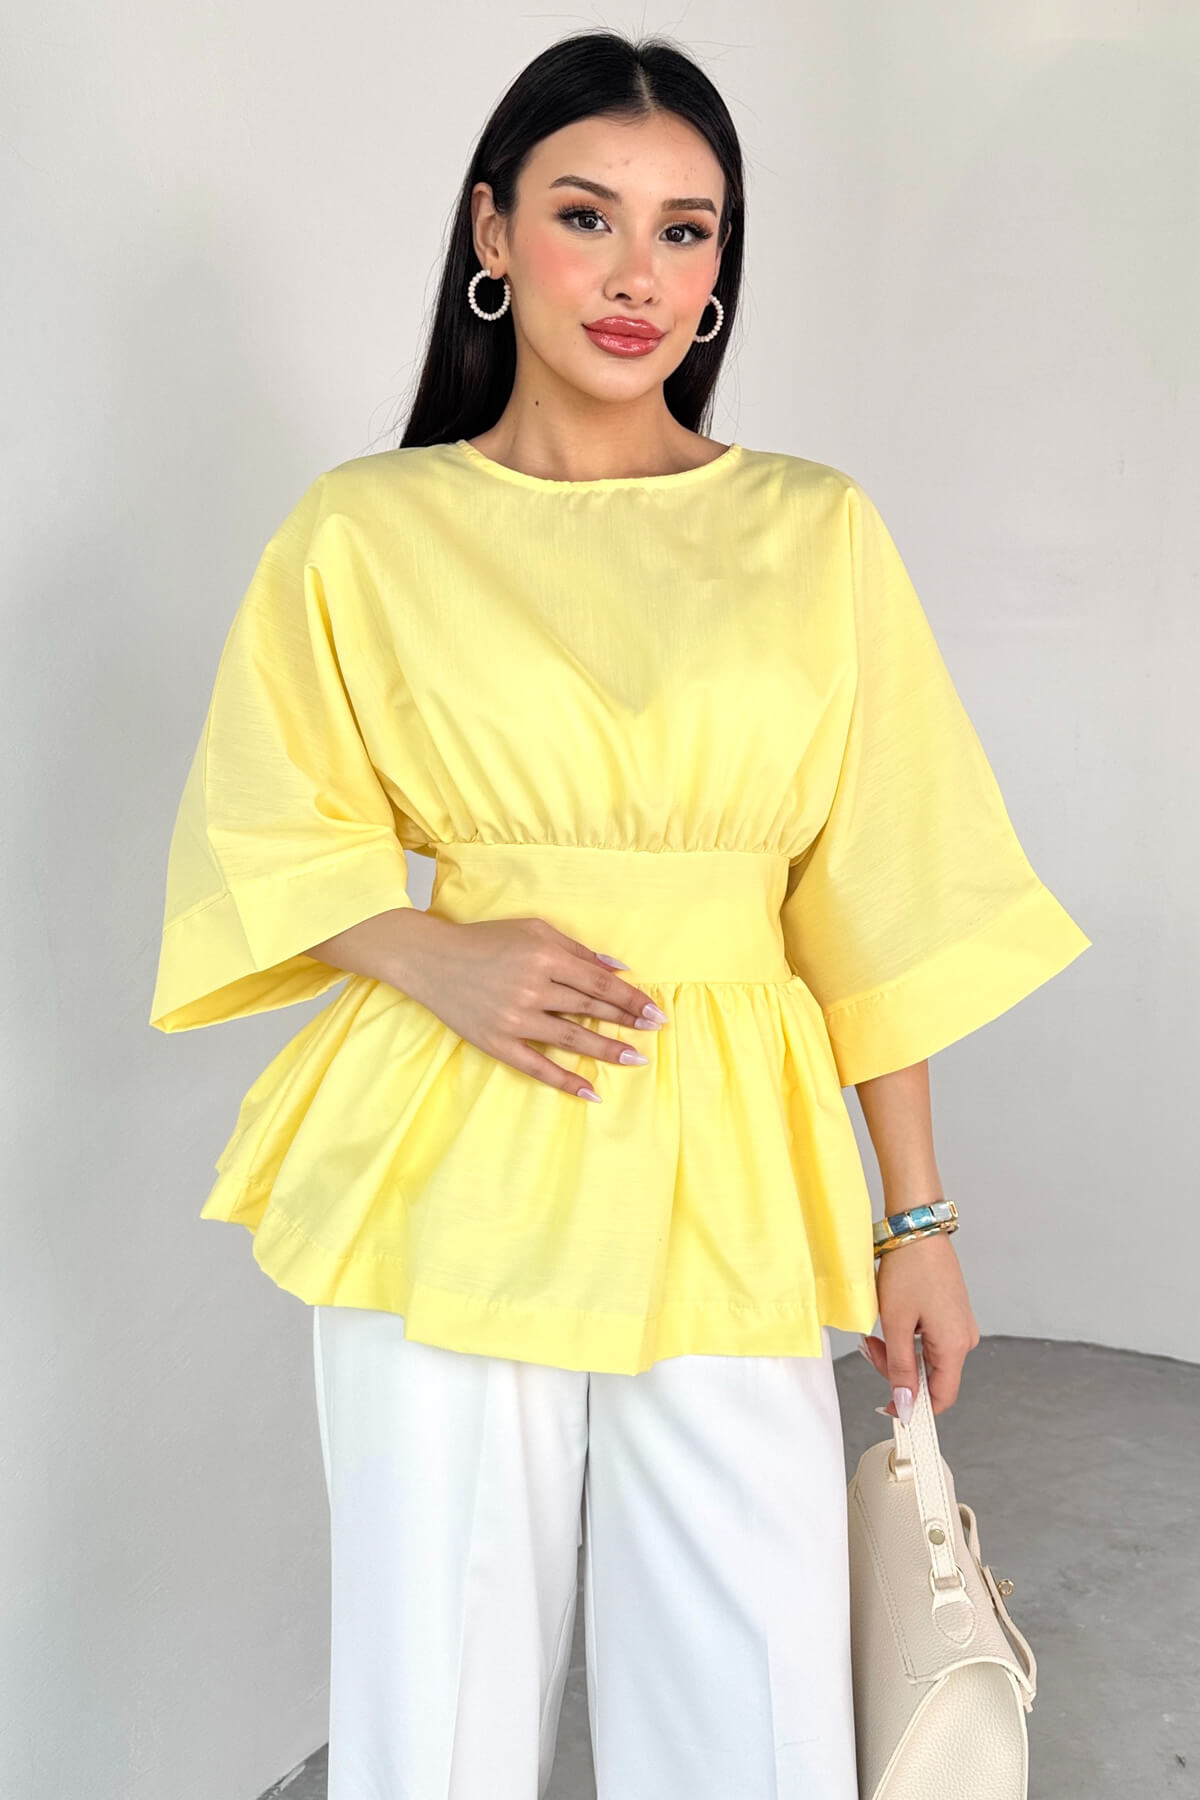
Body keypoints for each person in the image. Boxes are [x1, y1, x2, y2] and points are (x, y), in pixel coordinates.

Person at [148, 28, 1091, 1800]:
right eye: (588, 216)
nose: (639, 274)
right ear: (492, 233)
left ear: (722, 268)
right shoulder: (366, 529)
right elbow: (267, 828)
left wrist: (919, 1218)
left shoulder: (815, 531)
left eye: (686, 229)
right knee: (434, 1696)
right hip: (455, 1133)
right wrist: (434, 951)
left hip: (725, 1147)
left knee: (753, 1702)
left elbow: (875, 900)